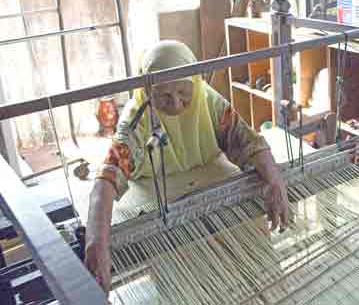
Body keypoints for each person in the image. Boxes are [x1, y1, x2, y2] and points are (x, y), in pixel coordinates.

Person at [85, 40, 289, 293]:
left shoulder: (209, 101)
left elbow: (249, 142)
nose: (176, 104)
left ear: (196, 80)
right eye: (163, 96)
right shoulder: (136, 119)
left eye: (183, 92)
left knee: (258, 262)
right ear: (148, 91)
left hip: (212, 173)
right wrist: (96, 242)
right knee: (188, 279)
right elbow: (106, 179)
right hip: (157, 191)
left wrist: (275, 182)